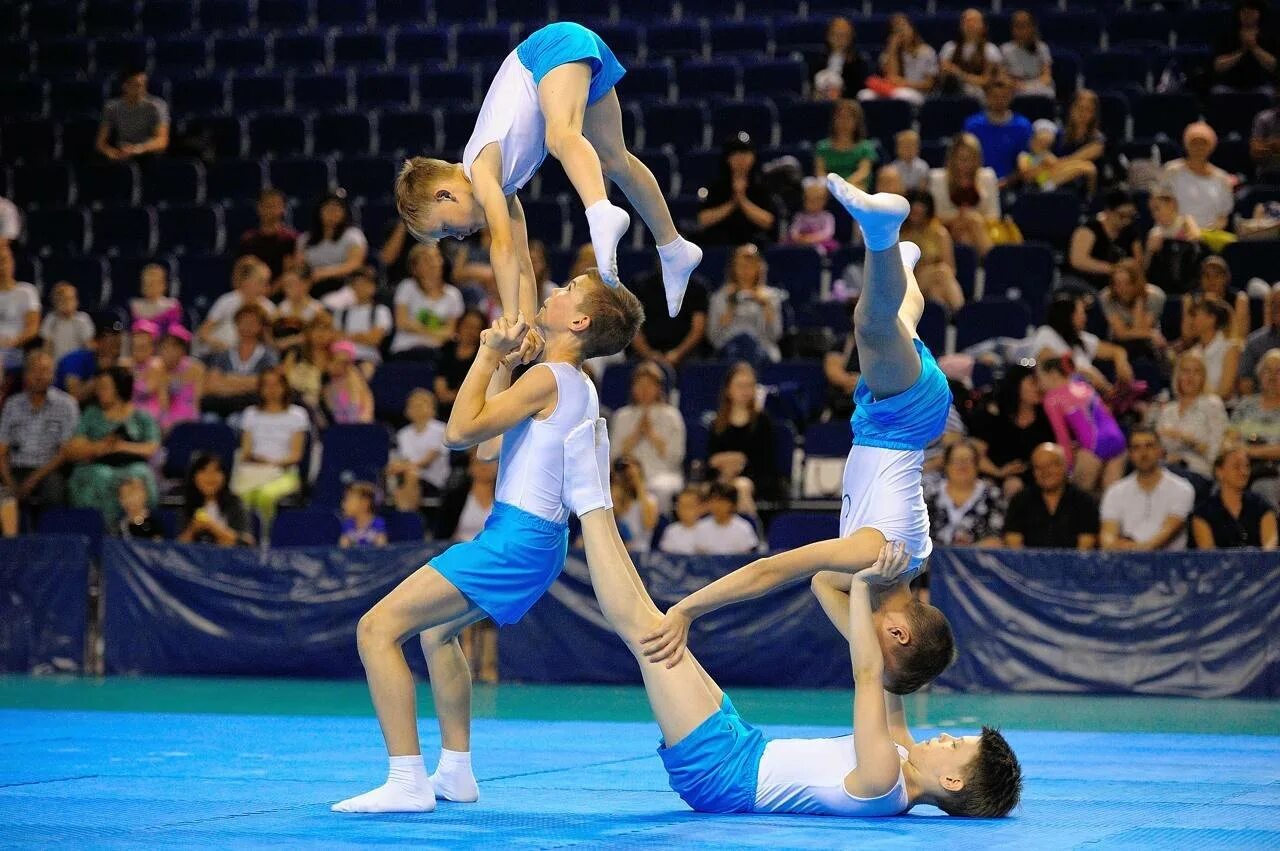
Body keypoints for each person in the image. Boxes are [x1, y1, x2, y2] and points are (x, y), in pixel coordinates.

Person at [561, 420, 1023, 818]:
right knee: (658, 625)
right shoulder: (900, 744)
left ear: (952, 782)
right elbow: (824, 584)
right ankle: (596, 494)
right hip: (744, 745)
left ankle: (588, 498)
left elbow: (866, 671)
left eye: (956, 746)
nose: (944, 736)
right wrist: (869, 583)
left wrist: (865, 583)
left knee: (648, 635)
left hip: (722, 777)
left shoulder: (885, 780)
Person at [331, 268, 643, 814]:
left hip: (516, 538)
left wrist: (483, 353)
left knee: (376, 629)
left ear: (579, 321)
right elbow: (489, 450)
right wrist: (502, 363)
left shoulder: (549, 379)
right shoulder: (570, 383)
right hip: (532, 540)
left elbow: (456, 435)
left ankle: (406, 780)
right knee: (436, 635)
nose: (555, 289)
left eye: (568, 290)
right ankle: (455, 772)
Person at [647, 180, 958, 697]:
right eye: (875, 653)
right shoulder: (873, 554)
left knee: (901, 317)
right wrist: (686, 609)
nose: (863, 652)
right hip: (901, 420)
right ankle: (881, 234)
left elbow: (820, 584)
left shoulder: (890, 569)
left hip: (890, 421)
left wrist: (863, 598)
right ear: (898, 632)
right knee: (872, 323)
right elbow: (770, 571)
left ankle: (902, 258)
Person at [395, 22, 701, 322]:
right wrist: (525, 325)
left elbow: (502, 249)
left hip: (550, 50)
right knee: (615, 162)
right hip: (565, 59)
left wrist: (508, 317)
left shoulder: (481, 168)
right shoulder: (505, 189)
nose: (460, 238)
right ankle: (674, 248)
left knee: (561, 136)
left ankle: (599, 211)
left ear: (444, 195)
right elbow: (524, 266)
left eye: (448, 228)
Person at [64, 367, 160, 526]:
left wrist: (120, 446)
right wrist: (100, 446)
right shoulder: (91, 414)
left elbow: (151, 447)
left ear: (119, 387)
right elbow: (75, 446)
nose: (99, 391)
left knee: (140, 474)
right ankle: (103, 529)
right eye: (98, 387)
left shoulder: (141, 416)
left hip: (131, 464)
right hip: (97, 464)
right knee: (101, 475)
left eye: (104, 387)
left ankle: (138, 528)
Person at [0, 350, 79, 513]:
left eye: (45, 370)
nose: (39, 376)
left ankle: (52, 538)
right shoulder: (12, 404)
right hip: (16, 468)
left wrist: (33, 479)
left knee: (53, 489)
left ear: (53, 374)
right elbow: (2, 450)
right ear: (25, 374)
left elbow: (65, 452)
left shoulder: (67, 404)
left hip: (49, 470)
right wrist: (9, 483)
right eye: (34, 370)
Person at [230, 368, 309, 528]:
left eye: (276, 385)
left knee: (265, 495)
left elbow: (296, 455)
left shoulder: (297, 415)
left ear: (285, 387)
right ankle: (243, 538)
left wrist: (273, 463)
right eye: (267, 385)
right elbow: (245, 451)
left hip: (284, 473)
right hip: (254, 470)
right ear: (260, 388)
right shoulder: (251, 414)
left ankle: (266, 539)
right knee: (241, 495)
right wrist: (257, 460)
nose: (272, 389)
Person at [1037, 355, 1127, 493]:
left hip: (1094, 445)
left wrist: (1068, 469)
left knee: (1080, 499)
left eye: (1040, 378)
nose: (1039, 384)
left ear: (1053, 375)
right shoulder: (1083, 385)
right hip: (1118, 440)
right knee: (1111, 499)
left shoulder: (1052, 398)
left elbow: (1063, 438)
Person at [1100, 428, 1196, 551]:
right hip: (1125, 562)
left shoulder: (1182, 489)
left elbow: (1167, 532)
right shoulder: (1115, 492)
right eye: (1136, 448)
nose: (1143, 453)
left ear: (1160, 450)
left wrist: (1135, 548)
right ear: (1130, 454)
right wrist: (1114, 546)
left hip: (1168, 563)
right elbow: (1107, 537)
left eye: (1149, 446)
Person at [705, 361, 782, 514]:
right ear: (728, 389)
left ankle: (750, 532)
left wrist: (740, 462)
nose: (745, 391)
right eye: (740, 386)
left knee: (741, 487)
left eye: (750, 386)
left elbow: (767, 462)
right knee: (703, 491)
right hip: (721, 478)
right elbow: (710, 459)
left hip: (755, 479)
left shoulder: (763, 421)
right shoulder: (717, 423)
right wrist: (722, 463)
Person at [970, 361, 1054, 498]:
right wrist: (999, 472)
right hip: (995, 474)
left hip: (1037, 476)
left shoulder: (1047, 417)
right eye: (1033, 382)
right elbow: (975, 455)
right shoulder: (992, 415)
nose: (1039, 388)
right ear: (1016, 385)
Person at [610, 361, 685, 510]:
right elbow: (614, 456)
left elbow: (676, 457)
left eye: (650, 385)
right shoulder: (622, 415)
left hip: (663, 473)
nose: (644, 390)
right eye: (639, 385)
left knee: (660, 490)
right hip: (628, 477)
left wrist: (651, 434)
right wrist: (636, 434)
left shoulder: (672, 415)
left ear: (659, 388)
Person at [1025, 293, 1135, 394]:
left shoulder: (1080, 338)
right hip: (1061, 397)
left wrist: (1121, 361)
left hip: (1088, 396)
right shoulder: (1046, 333)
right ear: (1068, 316)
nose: (1085, 318)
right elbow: (1048, 366)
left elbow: (1115, 351)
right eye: (1081, 313)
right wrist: (1095, 379)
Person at [1151, 351, 1228, 485]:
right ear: (1178, 376)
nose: (1190, 377)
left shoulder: (1212, 404)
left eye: (1196, 372)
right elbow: (1158, 448)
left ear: (1203, 377)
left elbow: (1216, 454)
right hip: (1166, 469)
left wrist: (1187, 439)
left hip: (1198, 471)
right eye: (1185, 371)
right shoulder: (1168, 410)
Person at [1003, 443, 1099, 549]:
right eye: (1038, 467)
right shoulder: (1020, 500)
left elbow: (1085, 547)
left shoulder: (1084, 501)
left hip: (1073, 564)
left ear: (1064, 466)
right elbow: (1014, 544)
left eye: (1050, 465)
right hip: (1028, 564)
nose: (1045, 472)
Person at [1161, 123, 1236, 252]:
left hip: (1209, 238)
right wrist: (1186, 229)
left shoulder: (1222, 178)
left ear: (1211, 146)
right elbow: (1162, 205)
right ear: (1186, 144)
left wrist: (1204, 234)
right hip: (1175, 234)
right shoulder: (1172, 170)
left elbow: (1223, 217)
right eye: (1194, 142)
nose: (1199, 147)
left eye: (1203, 143)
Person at [706, 245, 785, 366]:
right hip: (729, 352)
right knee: (740, 344)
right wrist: (730, 308)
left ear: (759, 267)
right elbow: (713, 338)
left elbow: (775, 336)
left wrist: (767, 307)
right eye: (741, 265)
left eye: (750, 265)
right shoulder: (720, 297)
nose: (745, 270)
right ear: (733, 268)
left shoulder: (771, 297)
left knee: (750, 345)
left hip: (763, 352)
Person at [697, 133, 779, 249]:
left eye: (745, 153)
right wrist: (732, 203)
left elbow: (769, 221)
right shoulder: (717, 186)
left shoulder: (763, 185)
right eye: (736, 153)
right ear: (727, 158)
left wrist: (742, 200)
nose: (741, 158)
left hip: (754, 246)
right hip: (722, 245)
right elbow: (703, 220)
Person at [927, 133, 999, 258]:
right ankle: (994, 265)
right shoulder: (937, 178)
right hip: (945, 231)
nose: (966, 164)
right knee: (971, 223)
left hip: (981, 230)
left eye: (971, 159)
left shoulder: (987, 177)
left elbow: (994, 215)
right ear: (952, 158)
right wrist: (962, 218)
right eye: (962, 159)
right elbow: (933, 217)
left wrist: (972, 219)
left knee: (967, 235)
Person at [202, 302, 278, 418]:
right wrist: (246, 386)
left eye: (252, 322)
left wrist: (229, 379)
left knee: (237, 420)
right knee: (209, 418)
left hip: (253, 407)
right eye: (243, 322)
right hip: (222, 405)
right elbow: (212, 384)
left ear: (260, 327)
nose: (247, 326)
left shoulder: (268, 356)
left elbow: (265, 384)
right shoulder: (224, 354)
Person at [1192, 448, 1279, 549]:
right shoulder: (1203, 512)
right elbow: (1208, 553)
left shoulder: (1262, 506)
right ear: (1219, 471)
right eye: (1236, 466)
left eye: (1247, 466)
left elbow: (1270, 546)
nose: (1244, 472)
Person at [923, 440, 1004, 547]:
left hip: (978, 560)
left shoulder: (993, 495)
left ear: (977, 465)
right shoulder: (929, 493)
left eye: (968, 460)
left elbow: (995, 540)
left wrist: (968, 553)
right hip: (933, 560)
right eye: (956, 460)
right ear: (946, 465)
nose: (962, 465)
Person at [390, 244, 465, 360]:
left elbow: (450, 331)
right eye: (426, 259)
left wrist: (416, 327)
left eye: (436, 257)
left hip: (437, 354)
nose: (433, 263)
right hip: (405, 349)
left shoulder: (453, 295)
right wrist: (436, 332)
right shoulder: (406, 287)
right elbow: (402, 322)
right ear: (415, 268)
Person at [629, 265, 708, 369]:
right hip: (646, 355)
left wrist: (677, 353)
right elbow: (633, 326)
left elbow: (698, 329)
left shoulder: (697, 287)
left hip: (686, 355)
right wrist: (649, 354)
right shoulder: (640, 285)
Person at [1230, 348, 1280, 508]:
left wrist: (1251, 452)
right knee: (1222, 487)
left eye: (1278, 371)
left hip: (1274, 471)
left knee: (1262, 489)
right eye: (1267, 370)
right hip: (1241, 465)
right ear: (1259, 375)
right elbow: (1229, 438)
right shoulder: (1246, 405)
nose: (1272, 376)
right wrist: (1239, 451)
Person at [197, 255, 275, 357]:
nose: (266, 287)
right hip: (220, 354)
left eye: (267, 282)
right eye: (261, 282)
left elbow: (270, 342)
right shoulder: (226, 301)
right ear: (247, 281)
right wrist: (221, 346)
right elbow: (203, 333)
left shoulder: (269, 308)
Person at [899, 190, 964, 311]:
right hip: (908, 284)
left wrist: (931, 271)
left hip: (935, 282)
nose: (916, 213)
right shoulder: (899, 235)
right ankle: (963, 314)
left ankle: (946, 321)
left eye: (919, 211)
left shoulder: (939, 233)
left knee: (936, 292)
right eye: (913, 211)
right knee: (941, 272)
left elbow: (951, 268)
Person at [1065, 189, 1141, 292]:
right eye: (1122, 216)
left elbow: (1138, 262)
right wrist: (1112, 269)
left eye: (1131, 216)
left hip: (1122, 285)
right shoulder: (1089, 229)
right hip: (1089, 282)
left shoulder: (1131, 231)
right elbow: (1078, 260)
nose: (1127, 220)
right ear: (1108, 212)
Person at [388, 388, 450, 512]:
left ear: (432, 408)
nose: (417, 408)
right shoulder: (403, 434)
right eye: (413, 405)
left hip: (434, 479)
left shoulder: (440, 429)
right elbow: (402, 459)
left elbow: (426, 461)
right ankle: (405, 515)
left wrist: (403, 467)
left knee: (412, 474)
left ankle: (408, 514)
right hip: (407, 476)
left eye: (422, 404)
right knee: (396, 474)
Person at [298, 192, 368, 301]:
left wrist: (324, 273)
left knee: (331, 302)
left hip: (343, 285)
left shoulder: (353, 235)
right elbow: (300, 266)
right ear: (319, 211)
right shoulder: (305, 239)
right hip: (311, 285)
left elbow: (354, 264)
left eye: (337, 209)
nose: (333, 213)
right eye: (328, 209)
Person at [134, 326, 203, 434]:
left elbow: (196, 402)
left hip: (187, 419)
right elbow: (163, 404)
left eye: (175, 347)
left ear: (183, 350)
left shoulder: (196, 368)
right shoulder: (156, 367)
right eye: (166, 347)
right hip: (161, 421)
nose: (170, 352)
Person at [962, 77, 1032, 184]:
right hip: (977, 183)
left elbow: (1027, 161)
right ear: (987, 97)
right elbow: (966, 159)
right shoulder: (972, 125)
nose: (999, 100)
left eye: (1004, 96)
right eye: (995, 96)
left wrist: (1008, 181)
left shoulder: (1023, 126)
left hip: (1012, 186)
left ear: (1011, 97)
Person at [858, 13, 937, 106]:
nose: (901, 32)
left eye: (904, 26)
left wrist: (905, 83)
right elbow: (891, 78)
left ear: (912, 29)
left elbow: (929, 85)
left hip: (917, 93)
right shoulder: (886, 55)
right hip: (893, 91)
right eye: (896, 29)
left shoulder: (927, 51)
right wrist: (892, 49)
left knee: (902, 95)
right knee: (864, 95)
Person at [177, 452, 254, 546]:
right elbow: (178, 548)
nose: (210, 476)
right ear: (194, 477)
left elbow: (247, 542)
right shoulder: (188, 505)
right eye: (203, 471)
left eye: (216, 471)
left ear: (225, 476)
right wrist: (193, 529)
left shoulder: (235, 503)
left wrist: (212, 527)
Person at [1098, 261, 1166, 364]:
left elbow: (1140, 329)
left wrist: (1139, 303)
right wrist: (1151, 333)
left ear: (1137, 282)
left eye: (1127, 283)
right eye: (1117, 284)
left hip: (1148, 346)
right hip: (1119, 344)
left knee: (1141, 349)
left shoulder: (1155, 296)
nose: (1122, 289)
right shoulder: (1106, 297)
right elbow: (1120, 333)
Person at [95, 67, 169, 161]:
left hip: (148, 155)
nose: (142, 89)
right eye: (138, 85)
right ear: (125, 86)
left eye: (144, 85)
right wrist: (111, 153)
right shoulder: (111, 107)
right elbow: (100, 143)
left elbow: (162, 141)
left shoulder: (158, 106)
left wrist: (137, 149)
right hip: (121, 152)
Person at [1144, 186, 1203, 296]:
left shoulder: (1186, 222)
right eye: (1152, 211)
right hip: (1165, 284)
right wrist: (1150, 251)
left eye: (1157, 208)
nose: (1154, 214)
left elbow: (1196, 239)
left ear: (1171, 204)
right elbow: (1146, 268)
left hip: (1188, 280)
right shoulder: (1154, 233)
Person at [1211, 0, 1279, 94]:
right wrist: (1242, 51)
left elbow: (1273, 66)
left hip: (1261, 86)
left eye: (1252, 11)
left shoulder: (1269, 36)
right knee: (1217, 92)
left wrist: (1254, 48)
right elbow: (1218, 66)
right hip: (1229, 85)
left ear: (1259, 13)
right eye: (1244, 11)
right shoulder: (1227, 36)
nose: (1248, 15)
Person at [1017, 119, 1097, 195]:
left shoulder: (1048, 155)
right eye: (1040, 143)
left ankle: (1089, 200)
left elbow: (1054, 164)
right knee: (1084, 167)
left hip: (1051, 183)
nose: (1043, 145)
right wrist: (1041, 162)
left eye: (1046, 145)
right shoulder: (1024, 155)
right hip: (1036, 187)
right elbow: (1026, 175)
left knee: (1089, 167)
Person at [1186, 296, 1242, 401]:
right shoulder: (1192, 352)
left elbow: (1225, 392)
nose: (1190, 321)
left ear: (1211, 318)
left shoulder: (1230, 349)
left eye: (1194, 316)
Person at [333, 266, 392, 365]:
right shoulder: (340, 312)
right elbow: (335, 337)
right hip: (342, 358)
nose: (359, 288)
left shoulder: (381, 311)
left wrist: (346, 335)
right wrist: (363, 336)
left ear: (373, 287)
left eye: (364, 284)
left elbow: (374, 339)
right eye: (356, 284)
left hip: (368, 358)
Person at [815, 100, 879, 192]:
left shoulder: (865, 147)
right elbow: (820, 172)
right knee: (814, 190)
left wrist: (844, 185)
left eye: (849, 118)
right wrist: (833, 186)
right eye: (840, 117)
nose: (844, 121)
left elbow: (863, 172)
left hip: (854, 185)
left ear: (857, 122)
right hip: (829, 187)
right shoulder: (822, 147)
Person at [433, 309, 485, 421]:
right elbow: (439, 376)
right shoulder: (447, 347)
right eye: (467, 325)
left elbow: (476, 386)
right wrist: (443, 393)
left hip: (468, 405)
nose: (470, 331)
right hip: (441, 402)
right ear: (459, 326)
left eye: (475, 328)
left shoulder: (482, 354)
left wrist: (455, 396)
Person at [939, 8, 1002, 100]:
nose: (970, 25)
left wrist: (959, 73)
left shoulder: (991, 50)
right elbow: (942, 79)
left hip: (981, 96)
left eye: (974, 21)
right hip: (953, 95)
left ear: (983, 26)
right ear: (961, 25)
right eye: (966, 21)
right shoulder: (949, 48)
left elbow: (986, 81)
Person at [238, 188, 299, 280]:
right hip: (252, 291)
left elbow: (292, 273)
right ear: (259, 208)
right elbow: (240, 271)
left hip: (284, 292)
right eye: (267, 205)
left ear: (283, 209)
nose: (271, 210)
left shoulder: (292, 238)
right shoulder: (248, 239)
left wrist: (269, 291)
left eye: (276, 205)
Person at [0, 240, 39, 374]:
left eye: (4, 260)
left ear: (12, 263)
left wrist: (12, 342)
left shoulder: (27, 291)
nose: (2, 266)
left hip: (15, 350)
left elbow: (33, 328)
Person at [808, 16, 870, 100]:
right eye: (836, 34)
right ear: (828, 36)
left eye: (844, 35)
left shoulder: (858, 63)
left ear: (851, 37)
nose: (840, 39)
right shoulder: (817, 61)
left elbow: (859, 90)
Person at [688, 480, 758, 555]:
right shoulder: (701, 527)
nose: (717, 505)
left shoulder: (743, 527)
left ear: (732, 504)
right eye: (713, 500)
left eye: (721, 501)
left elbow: (749, 558)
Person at [610, 455, 659, 553]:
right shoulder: (618, 496)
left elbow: (649, 524)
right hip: (617, 551)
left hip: (639, 553)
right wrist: (615, 478)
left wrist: (638, 481)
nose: (627, 475)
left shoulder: (650, 500)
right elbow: (614, 513)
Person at [1000, 10, 1054, 98]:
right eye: (1017, 26)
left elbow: (1046, 77)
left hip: (1037, 86)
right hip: (1014, 87)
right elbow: (1002, 76)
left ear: (1032, 28)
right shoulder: (1005, 49)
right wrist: (1014, 85)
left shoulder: (1042, 48)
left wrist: (1029, 87)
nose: (1020, 31)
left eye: (1024, 26)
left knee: (1047, 93)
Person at [40, 281, 95, 363]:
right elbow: (47, 346)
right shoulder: (50, 319)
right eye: (63, 300)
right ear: (55, 303)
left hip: (77, 364)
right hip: (56, 364)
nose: (68, 303)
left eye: (71, 299)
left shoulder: (83, 319)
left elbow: (89, 345)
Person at [322, 340, 374, 425]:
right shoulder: (326, 385)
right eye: (338, 361)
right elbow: (334, 416)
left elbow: (366, 413)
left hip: (360, 427)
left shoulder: (357, 381)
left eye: (346, 363)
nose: (341, 366)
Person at [1241, 285, 1280, 393]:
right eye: (1273, 304)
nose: (1277, 308)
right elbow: (1245, 381)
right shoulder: (1254, 342)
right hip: (1262, 404)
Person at [129, 263, 182, 337]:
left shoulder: (172, 306)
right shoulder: (133, 306)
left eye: (153, 283)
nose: (150, 287)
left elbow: (173, 334)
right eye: (147, 283)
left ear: (163, 285)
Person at [787, 178, 838, 252]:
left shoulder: (827, 216)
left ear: (824, 201)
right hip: (801, 242)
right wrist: (799, 238)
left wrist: (812, 238)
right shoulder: (800, 216)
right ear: (804, 201)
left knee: (821, 250)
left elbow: (828, 232)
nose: (814, 204)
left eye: (818, 200)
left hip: (822, 242)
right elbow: (794, 231)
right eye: (810, 201)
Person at [657, 485, 705, 555]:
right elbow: (666, 557)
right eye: (681, 505)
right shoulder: (671, 530)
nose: (684, 510)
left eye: (688, 505)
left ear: (699, 507)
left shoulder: (707, 530)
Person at [341, 481, 388, 548]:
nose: (344, 505)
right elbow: (343, 549)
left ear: (365, 503)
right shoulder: (347, 524)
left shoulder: (378, 523)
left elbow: (381, 547)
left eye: (349, 500)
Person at [1250, 94, 1280, 178]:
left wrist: (1270, 146)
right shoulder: (1264, 118)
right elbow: (1256, 152)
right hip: (1268, 174)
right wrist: (1274, 145)